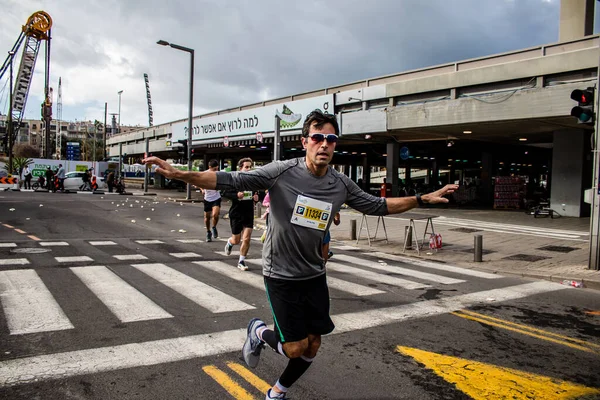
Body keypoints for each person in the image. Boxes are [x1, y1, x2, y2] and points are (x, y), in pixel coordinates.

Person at [143, 110, 458, 400]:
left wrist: (422, 198)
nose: (324, 145)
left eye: (330, 139)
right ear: (305, 141)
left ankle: (276, 393)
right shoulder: (281, 172)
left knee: (314, 345)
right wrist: (179, 174)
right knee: (294, 348)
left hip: (314, 275)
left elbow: (377, 206)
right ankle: (257, 331)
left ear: (335, 146)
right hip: (280, 273)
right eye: (318, 138)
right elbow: (230, 179)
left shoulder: (340, 184)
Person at [222, 158, 259, 271]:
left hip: (248, 212)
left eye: (250, 167)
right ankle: (230, 242)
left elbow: (258, 194)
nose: (249, 169)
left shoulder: (253, 182)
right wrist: (236, 195)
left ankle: (241, 261)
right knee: (236, 240)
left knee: (247, 238)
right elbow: (224, 193)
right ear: (241, 168)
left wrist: (256, 198)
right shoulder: (235, 181)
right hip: (236, 212)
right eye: (246, 167)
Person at [202, 159, 222, 242]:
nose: (216, 171)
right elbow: (198, 182)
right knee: (207, 217)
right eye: (214, 169)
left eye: (217, 169)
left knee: (215, 214)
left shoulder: (219, 174)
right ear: (209, 167)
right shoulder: (204, 174)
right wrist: (202, 189)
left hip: (216, 197)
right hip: (207, 198)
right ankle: (208, 232)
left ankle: (214, 227)